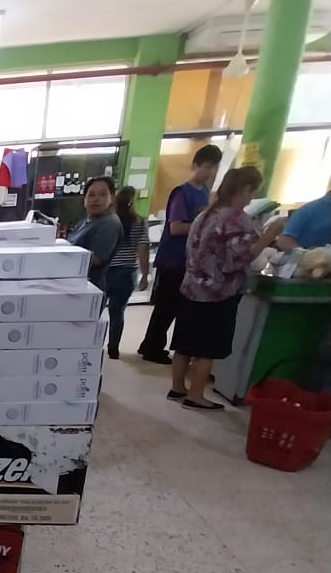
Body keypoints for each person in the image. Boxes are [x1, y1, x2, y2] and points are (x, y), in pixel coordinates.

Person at [168, 166, 290, 410]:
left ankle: (178, 387)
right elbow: (241, 257)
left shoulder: (205, 214)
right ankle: (195, 396)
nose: (250, 197)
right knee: (207, 348)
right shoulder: (236, 220)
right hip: (216, 293)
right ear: (245, 190)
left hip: (191, 287)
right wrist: (270, 234)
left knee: (184, 342)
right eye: (251, 191)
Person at [138, 144, 223, 364]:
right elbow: (175, 227)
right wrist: (205, 224)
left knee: (177, 307)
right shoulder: (182, 192)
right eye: (207, 167)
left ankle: (150, 344)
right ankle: (152, 348)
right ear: (195, 165)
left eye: (214, 168)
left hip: (191, 260)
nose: (210, 172)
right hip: (173, 259)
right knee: (166, 307)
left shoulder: (205, 193)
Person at [105, 186, 150, 359]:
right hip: (127, 271)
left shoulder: (109, 220)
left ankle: (91, 343)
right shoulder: (139, 222)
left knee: (95, 311)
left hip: (106, 270)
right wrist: (145, 274)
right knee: (117, 312)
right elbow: (142, 249)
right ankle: (113, 348)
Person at [66, 177, 122, 292]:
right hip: (72, 284)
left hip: (88, 288)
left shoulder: (109, 223)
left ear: (112, 198)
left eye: (102, 194)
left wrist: (57, 256)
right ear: (84, 200)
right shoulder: (87, 220)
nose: (96, 199)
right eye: (91, 195)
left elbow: (96, 259)